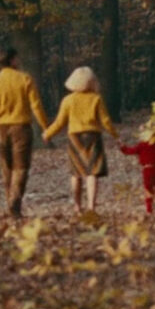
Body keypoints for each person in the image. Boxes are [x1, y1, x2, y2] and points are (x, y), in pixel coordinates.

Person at [0, 47, 49, 218]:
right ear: (12, 60)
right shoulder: (25, 79)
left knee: (6, 168)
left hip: (1, 129)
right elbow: (36, 106)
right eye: (17, 58)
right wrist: (45, 127)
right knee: (21, 168)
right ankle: (14, 204)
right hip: (21, 128)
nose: (19, 61)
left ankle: (10, 202)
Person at [43, 66, 119, 214]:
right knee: (92, 172)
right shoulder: (96, 99)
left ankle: (77, 206)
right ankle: (91, 206)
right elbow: (105, 121)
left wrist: (48, 134)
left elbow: (59, 122)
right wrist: (115, 136)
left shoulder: (68, 100)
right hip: (93, 137)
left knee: (76, 172)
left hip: (75, 138)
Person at [119, 128, 155, 215]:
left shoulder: (142, 145)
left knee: (148, 189)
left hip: (148, 170)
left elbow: (129, 151)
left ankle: (149, 209)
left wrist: (122, 147)